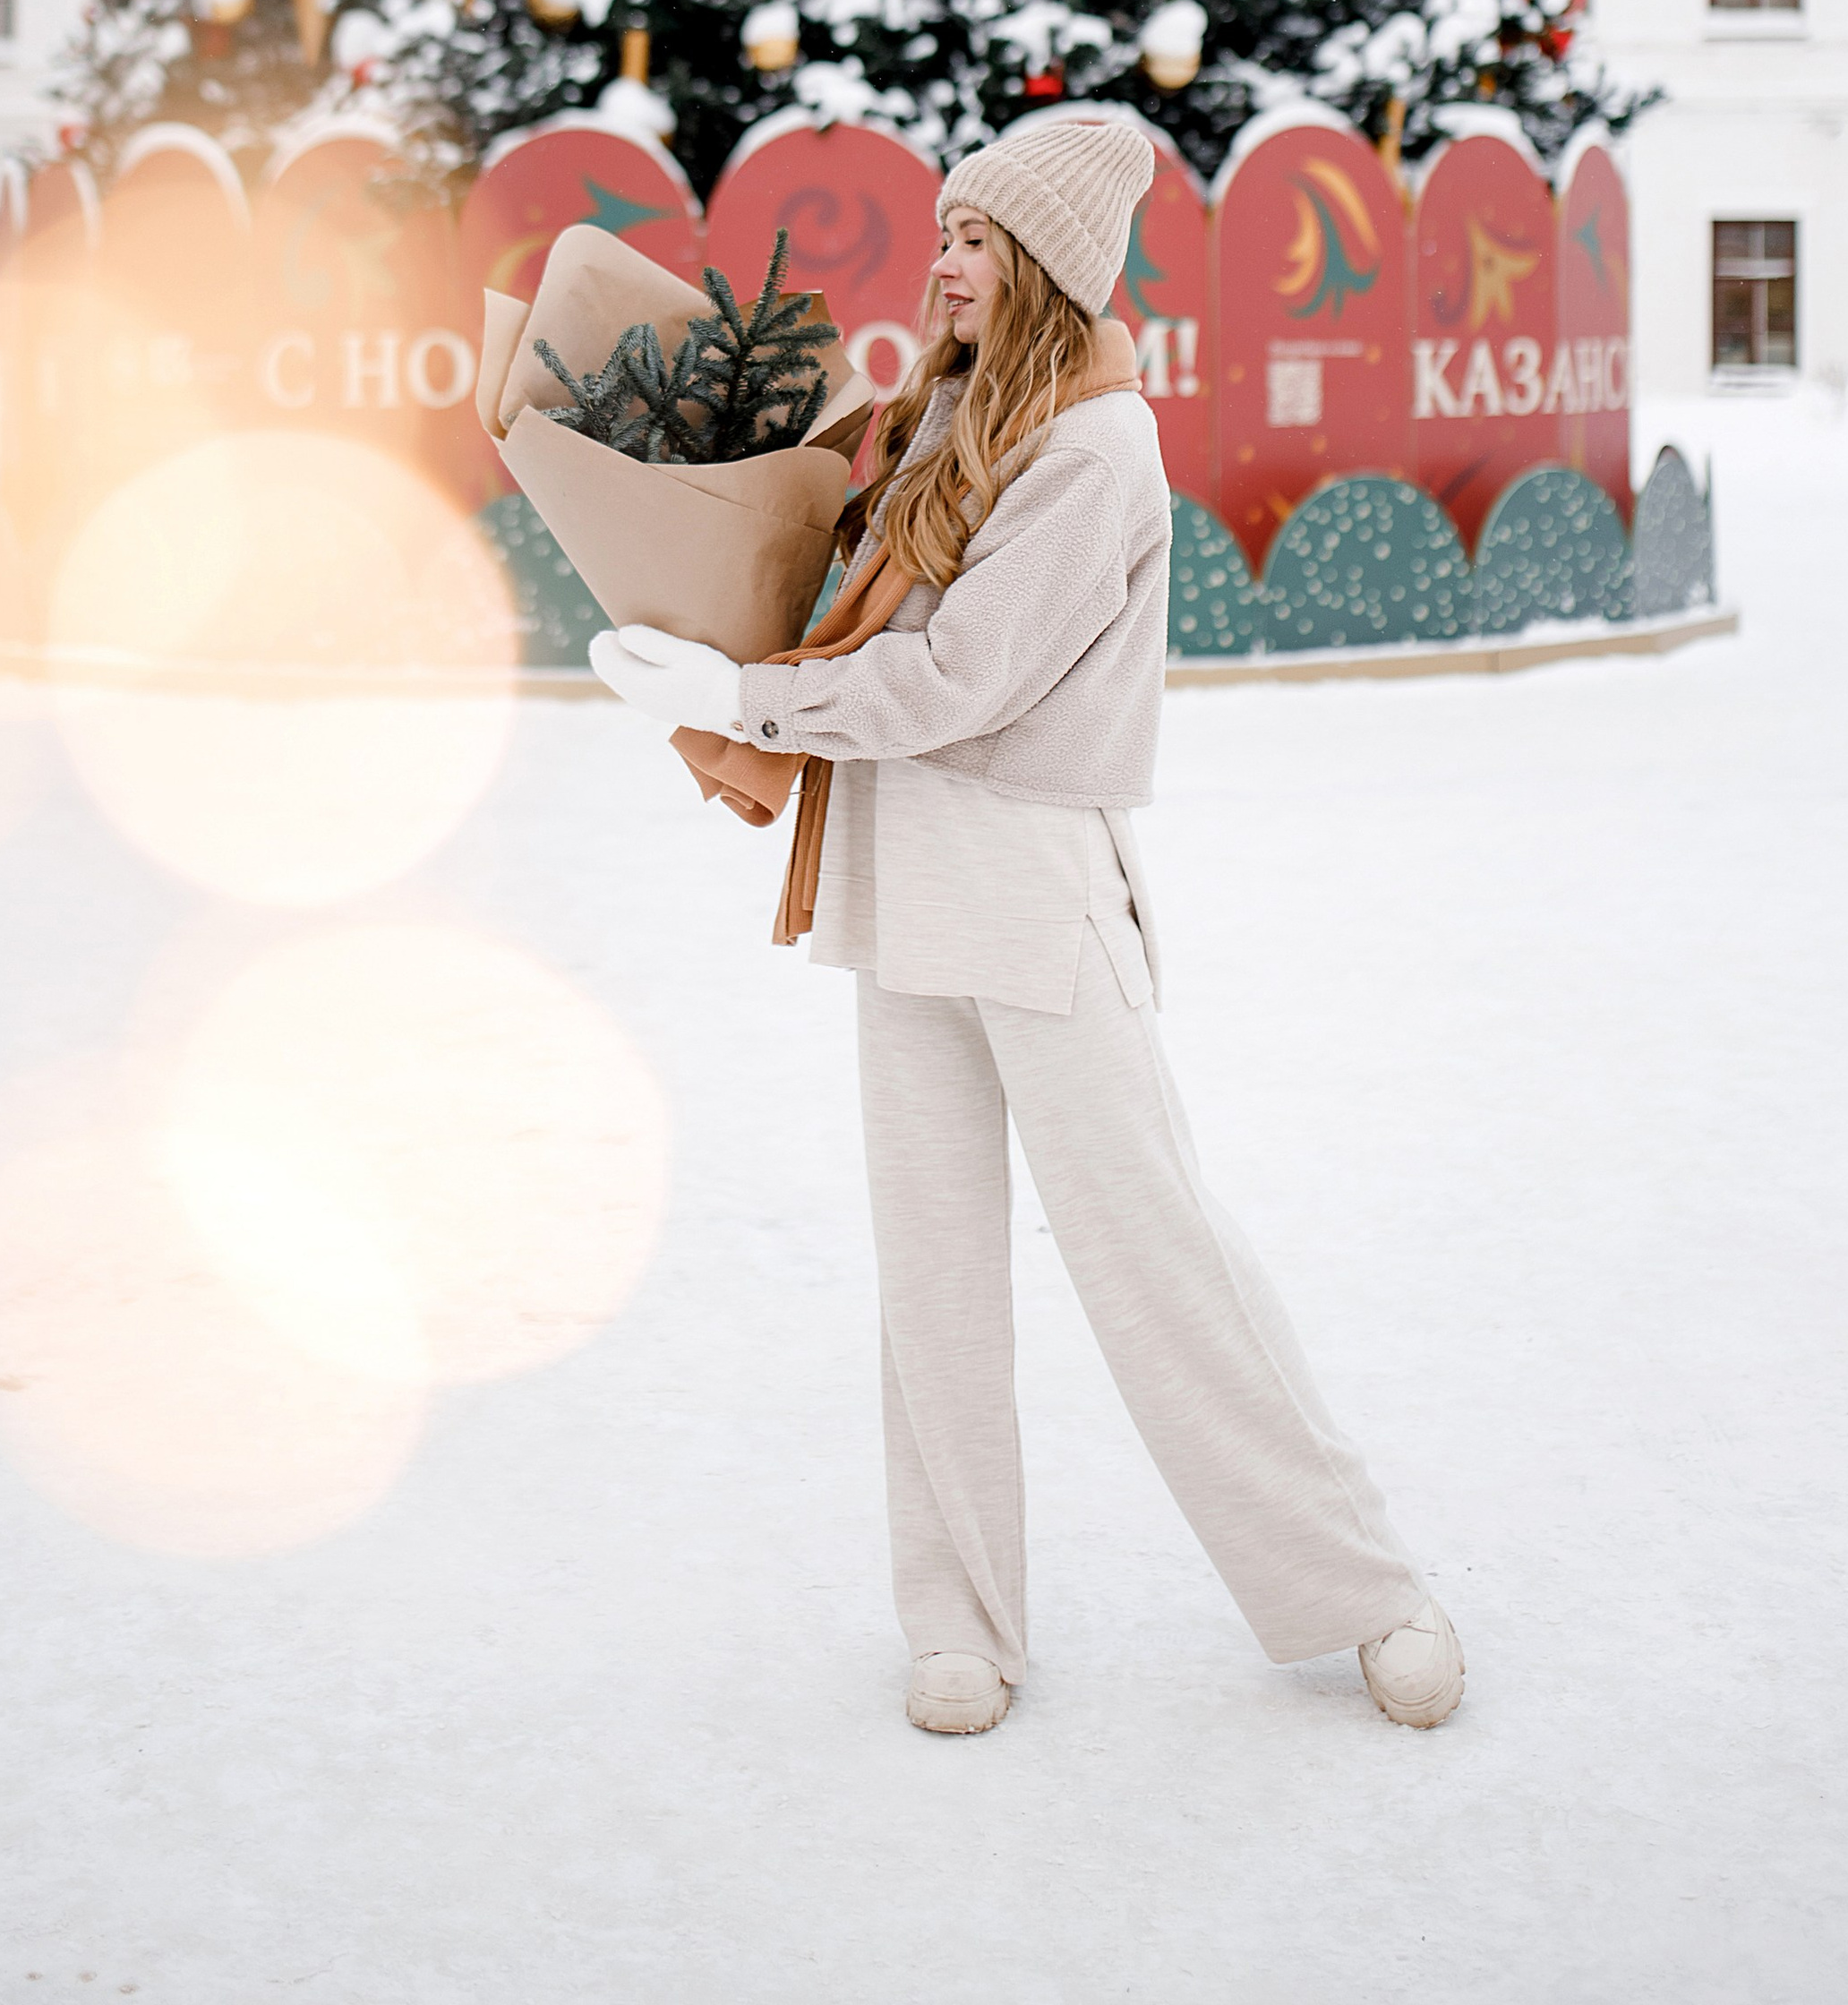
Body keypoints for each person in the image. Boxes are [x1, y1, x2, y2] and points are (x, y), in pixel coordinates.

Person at [590, 110, 1464, 1739]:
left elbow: (959, 679)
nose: (943, 263)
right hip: (898, 875)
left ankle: (1363, 1588)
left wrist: (741, 697)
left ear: (1050, 266)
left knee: (1155, 1258)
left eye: (978, 240)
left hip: (1030, 885)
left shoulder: (1093, 451)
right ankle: (961, 1622)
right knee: (931, 1275)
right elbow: (855, 618)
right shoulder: (941, 417)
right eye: (944, 233)